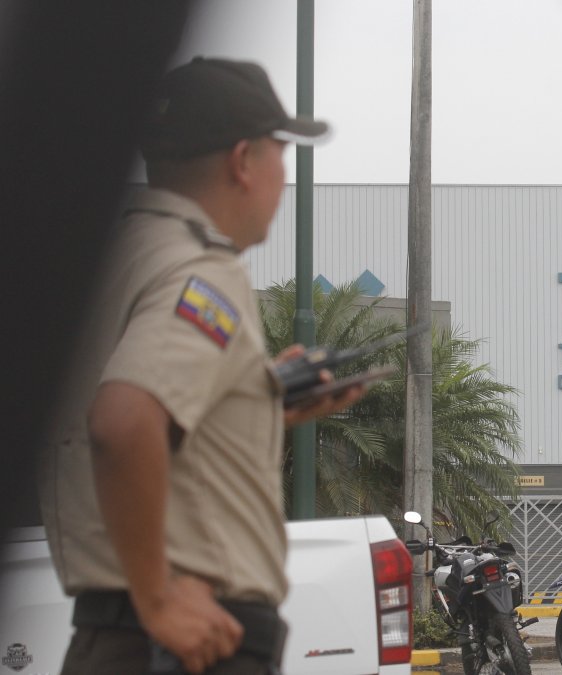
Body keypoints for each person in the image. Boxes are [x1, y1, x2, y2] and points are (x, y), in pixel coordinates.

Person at [37, 57, 362, 675]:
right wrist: (158, 596)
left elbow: (134, 417)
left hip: (111, 634)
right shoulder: (201, 271)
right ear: (243, 161)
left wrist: (260, 400)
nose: (283, 175)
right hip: (189, 640)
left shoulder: (108, 264)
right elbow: (123, 420)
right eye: (279, 152)